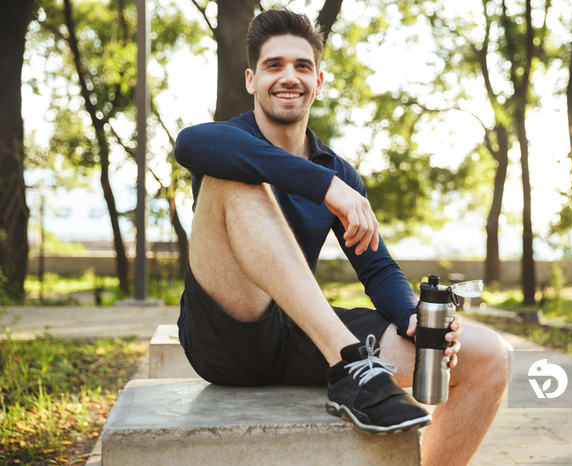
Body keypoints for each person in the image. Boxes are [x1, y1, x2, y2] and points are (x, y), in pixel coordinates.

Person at [174, 8, 511, 465]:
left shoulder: (340, 170)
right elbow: (189, 144)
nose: (288, 76)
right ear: (251, 79)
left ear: (320, 81)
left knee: (488, 353)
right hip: (225, 337)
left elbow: (376, 267)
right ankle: (351, 364)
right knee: (234, 175)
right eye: (274, 65)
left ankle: (353, 368)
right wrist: (322, 186)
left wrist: (414, 318)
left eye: (302, 66)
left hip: (298, 335)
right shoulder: (227, 142)